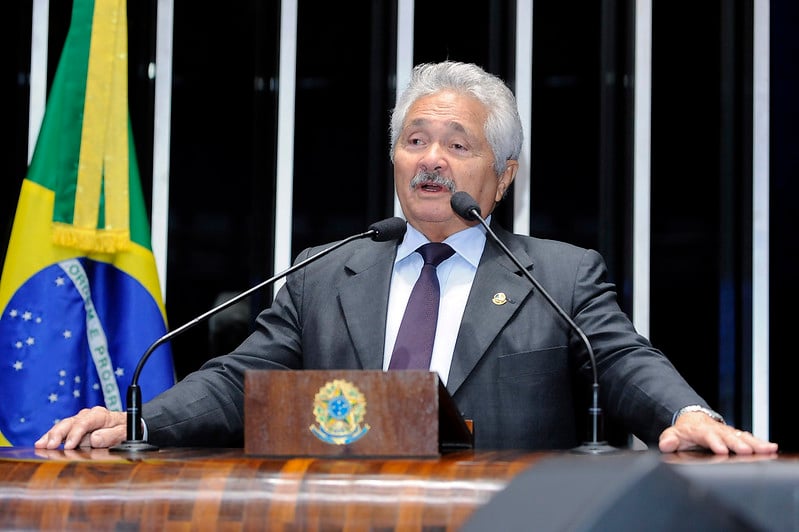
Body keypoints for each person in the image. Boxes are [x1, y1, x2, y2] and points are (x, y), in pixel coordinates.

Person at [36, 61, 777, 455]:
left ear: (504, 175)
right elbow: (239, 382)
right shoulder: (326, 269)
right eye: (414, 141)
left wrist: (684, 414)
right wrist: (137, 423)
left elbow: (621, 362)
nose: (431, 161)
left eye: (458, 146)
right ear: (393, 157)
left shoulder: (557, 276)